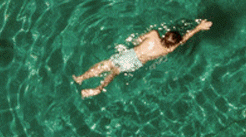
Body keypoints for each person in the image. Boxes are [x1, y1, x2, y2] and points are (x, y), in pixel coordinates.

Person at [73, 18, 212, 97]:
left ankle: (81, 78)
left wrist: (136, 41)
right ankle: (100, 87)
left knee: (107, 64)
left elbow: (138, 40)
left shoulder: (154, 34)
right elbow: (184, 39)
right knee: (115, 72)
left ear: (165, 35)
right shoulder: (168, 49)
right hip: (137, 63)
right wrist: (198, 27)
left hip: (131, 54)